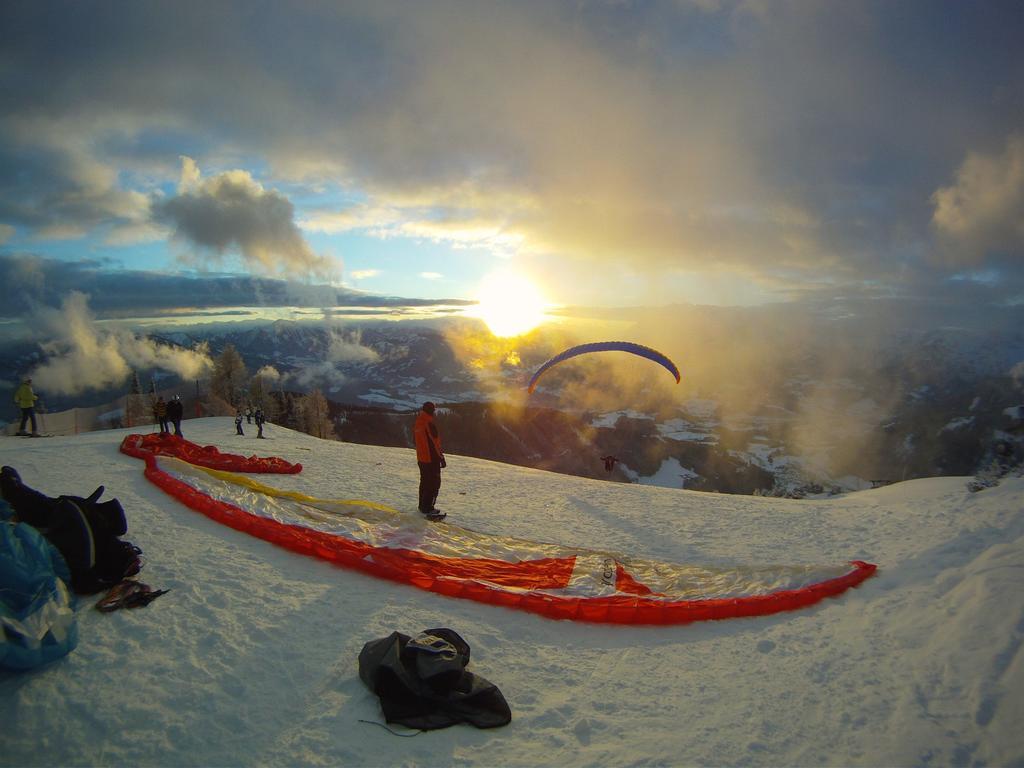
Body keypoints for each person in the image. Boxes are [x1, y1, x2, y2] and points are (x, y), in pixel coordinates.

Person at [413, 401, 445, 516]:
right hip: (431, 459)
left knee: (425, 482)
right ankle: (428, 508)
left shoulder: (418, 422)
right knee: (434, 483)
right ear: (431, 410)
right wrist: (441, 458)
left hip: (421, 458)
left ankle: (422, 506)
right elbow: (435, 443)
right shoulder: (428, 424)